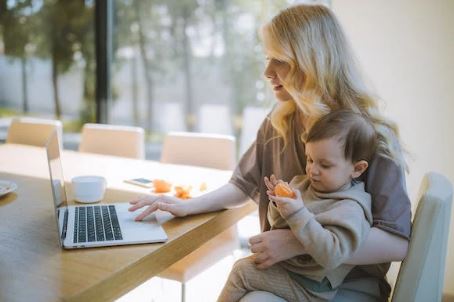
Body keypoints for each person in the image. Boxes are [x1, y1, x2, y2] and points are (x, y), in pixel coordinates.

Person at [128, 4, 411, 301]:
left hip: (346, 284)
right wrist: (187, 206)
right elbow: (241, 186)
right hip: (287, 270)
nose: (267, 72)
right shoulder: (279, 121)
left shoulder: (370, 136)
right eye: (267, 59)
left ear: (312, 62)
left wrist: (298, 241)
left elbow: (396, 242)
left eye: (280, 60)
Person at [217, 110, 376, 302]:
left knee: (242, 272)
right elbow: (276, 223)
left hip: (311, 287)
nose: (312, 170)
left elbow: (332, 255)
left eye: (325, 165)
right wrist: (278, 204)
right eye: (310, 159)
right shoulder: (303, 184)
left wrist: (298, 213)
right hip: (289, 270)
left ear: (357, 169)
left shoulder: (350, 208)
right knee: (244, 266)